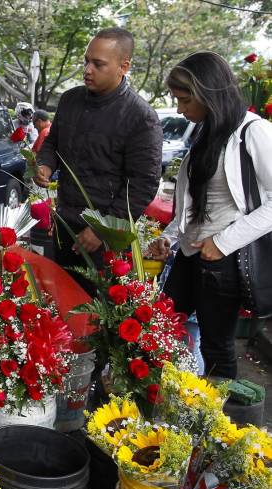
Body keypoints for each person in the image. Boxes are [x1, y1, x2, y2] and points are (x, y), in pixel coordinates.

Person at [148, 52, 272, 379]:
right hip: (190, 254)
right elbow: (192, 205)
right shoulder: (205, 132)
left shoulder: (253, 132)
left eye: (185, 99)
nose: (179, 109)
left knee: (216, 348)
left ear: (209, 93)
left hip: (224, 260)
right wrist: (168, 238)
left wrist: (222, 242)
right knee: (157, 326)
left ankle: (218, 424)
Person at [35, 28, 162, 292]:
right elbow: (53, 142)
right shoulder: (70, 100)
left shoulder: (141, 117)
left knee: (97, 319)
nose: (87, 70)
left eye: (98, 64)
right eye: (86, 61)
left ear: (123, 66)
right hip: (65, 224)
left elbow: (143, 185)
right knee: (60, 306)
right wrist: (45, 164)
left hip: (106, 239)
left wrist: (103, 229)